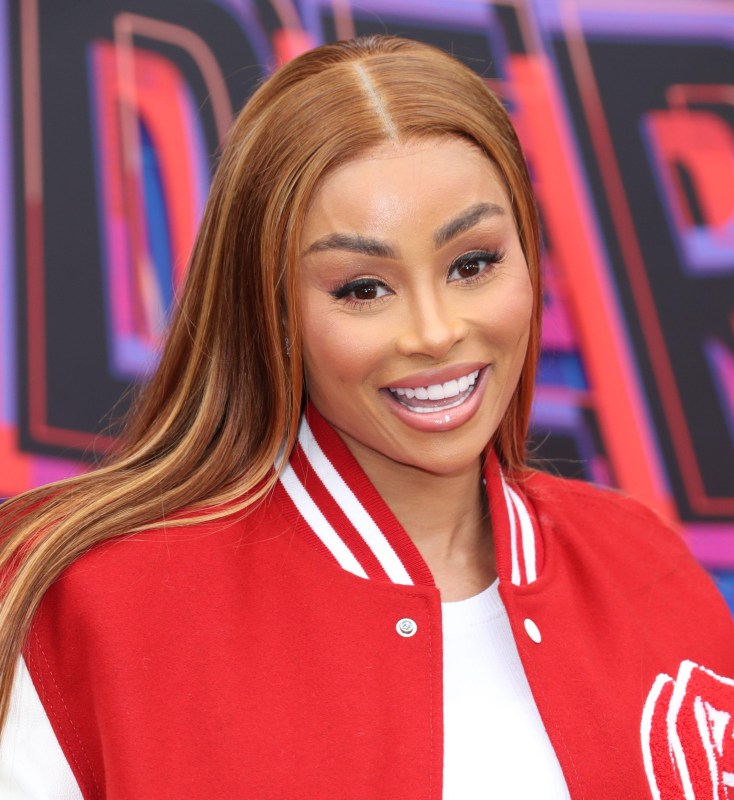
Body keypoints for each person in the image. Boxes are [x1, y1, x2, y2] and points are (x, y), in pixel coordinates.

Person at [0, 35, 732, 800]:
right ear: (274, 311)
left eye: (472, 264)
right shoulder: (92, 603)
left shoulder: (645, 564)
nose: (434, 331)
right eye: (361, 288)